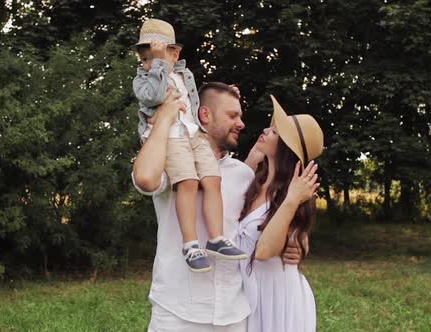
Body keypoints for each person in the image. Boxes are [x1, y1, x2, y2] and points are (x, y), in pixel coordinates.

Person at [133, 82, 312, 331]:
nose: (241, 124)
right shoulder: (173, 162)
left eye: (240, 115)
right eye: (232, 115)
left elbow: (263, 223)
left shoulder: (244, 175)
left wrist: (297, 243)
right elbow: (144, 178)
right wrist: (164, 119)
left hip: (234, 313)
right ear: (205, 115)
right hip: (178, 313)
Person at [132, 18, 246, 273]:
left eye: (157, 56)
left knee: (212, 178)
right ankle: (191, 244)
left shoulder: (184, 74)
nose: (149, 63)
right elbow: (154, 96)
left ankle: (216, 238)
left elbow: (195, 102)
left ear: (176, 54)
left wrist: (222, 92)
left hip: (192, 132)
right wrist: (159, 65)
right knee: (188, 182)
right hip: (171, 136)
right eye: (146, 59)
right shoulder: (144, 79)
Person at [237, 95, 323, 331]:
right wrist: (253, 158)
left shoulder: (297, 195)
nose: (265, 130)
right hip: (249, 293)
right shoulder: (255, 183)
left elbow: (264, 251)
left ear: (285, 148)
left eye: (274, 131)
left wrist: (292, 200)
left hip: (279, 299)